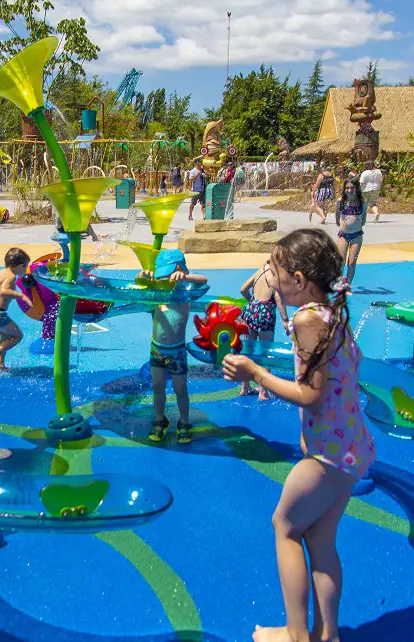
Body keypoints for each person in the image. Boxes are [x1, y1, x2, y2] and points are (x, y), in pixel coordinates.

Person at [222, 228, 375, 642]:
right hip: (351, 448)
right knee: (320, 540)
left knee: (284, 526)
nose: (270, 277)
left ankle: (295, 635)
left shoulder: (309, 319)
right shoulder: (330, 312)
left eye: (275, 269)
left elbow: (310, 394)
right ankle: (327, 635)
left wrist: (256, 373)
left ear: (300, 279)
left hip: (328, 456)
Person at [142, 250, 208, 444]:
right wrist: (143, 276)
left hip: (177, 352)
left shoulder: (185, 294)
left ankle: (184, 422)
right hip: (157, 350)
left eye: (169, 273)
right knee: (157, 388)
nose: (166, 278)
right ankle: (160, 420)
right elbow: (138, 284)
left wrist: (185, 277)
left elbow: (203, 280)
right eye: (162, 274)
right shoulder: (156, 294)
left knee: (181, 390)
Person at [239, 262, 289, 400]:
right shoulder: (276, 274)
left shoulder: (261, 269)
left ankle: (245, 386)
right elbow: (278, 298)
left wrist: (254, 303)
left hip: (250, 310)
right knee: (266, 353)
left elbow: (243, 289)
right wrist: (285, 320)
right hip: (265, 314)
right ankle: (263, 392)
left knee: (249, 350)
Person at [335, 177, 366, 284]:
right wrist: (344, 226)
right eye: (347, 188)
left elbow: (363, 220)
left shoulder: (362, 203)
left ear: (357, 188)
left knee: (352, 262)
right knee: (341, 262)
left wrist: (354, 226)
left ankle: (348, 284)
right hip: (343, 235)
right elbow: (337, 217)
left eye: (352, 188)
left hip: (357, 236)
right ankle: (340, 284)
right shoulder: (341, 202)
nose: (349, 190)